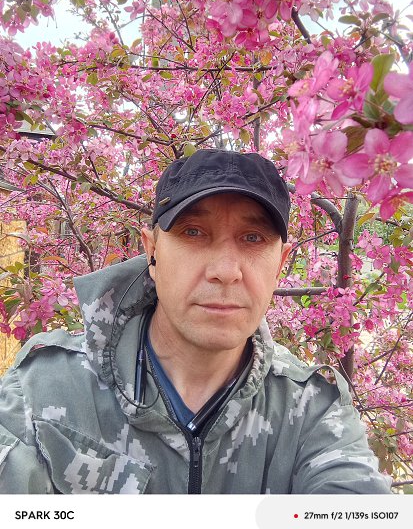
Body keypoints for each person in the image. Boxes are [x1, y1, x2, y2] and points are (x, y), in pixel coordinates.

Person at [0, 149, 391, 494]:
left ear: (280, 265)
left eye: (253, 238)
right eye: (193, 232)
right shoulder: (43, 389)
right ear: (152, 252)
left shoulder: (312, 411)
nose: (226, 271)